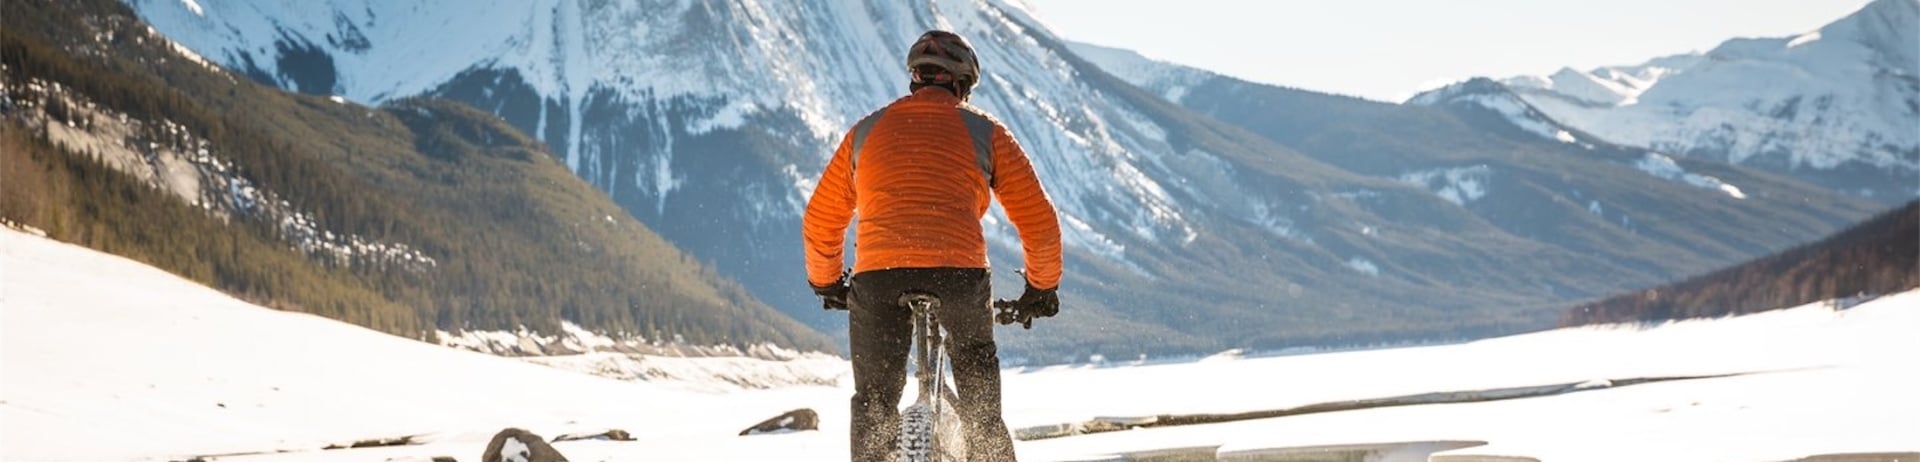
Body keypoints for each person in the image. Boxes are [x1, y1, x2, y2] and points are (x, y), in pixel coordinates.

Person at [802, 30, 1063, 462]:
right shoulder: (986, 132)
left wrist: (827, 281)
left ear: (916, 79)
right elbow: (1039, 220)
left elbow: (821, 218)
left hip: (878, 276)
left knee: (874, 402)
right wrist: (1041, 288)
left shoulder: (866, 132)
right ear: (962, 85)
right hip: (959, 274)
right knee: (981, 406)